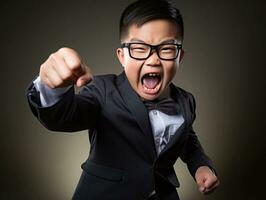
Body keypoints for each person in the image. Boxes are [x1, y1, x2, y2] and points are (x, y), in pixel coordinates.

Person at [26, 0, 219, 199]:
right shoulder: (102, 91)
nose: (153, 60)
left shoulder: (186, 101)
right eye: (139, 48)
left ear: (180, 56)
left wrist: (201, 165)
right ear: (122, 56)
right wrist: (51, 87)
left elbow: (187, 140)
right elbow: (63, 117)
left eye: (167, 49)